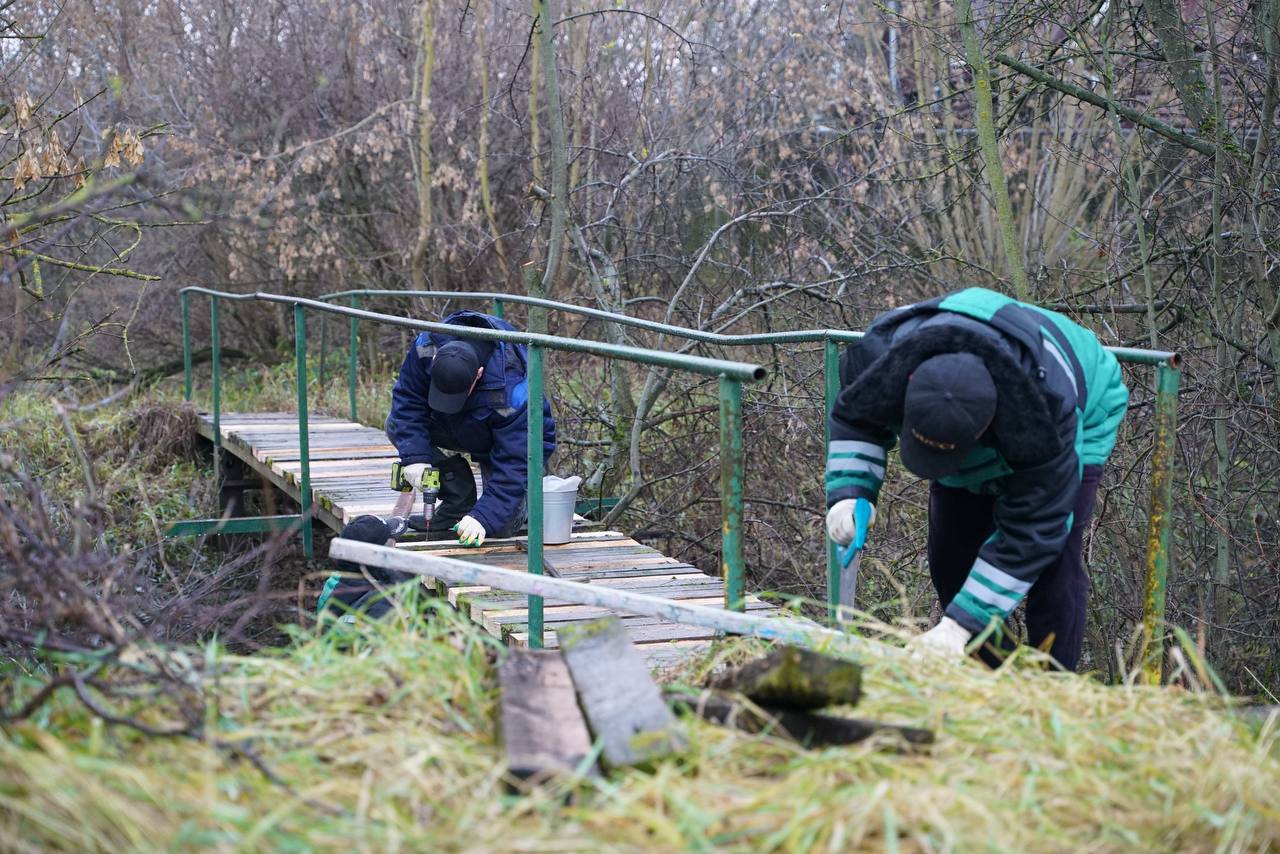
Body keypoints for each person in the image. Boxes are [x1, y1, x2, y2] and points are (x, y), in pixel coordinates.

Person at [825, 287, 1129, 671]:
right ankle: (989, 672)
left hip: (1085, 394)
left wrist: (961, 624)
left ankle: (1053, 683)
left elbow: (1035, 530)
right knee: (951, 558)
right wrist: (850, 492)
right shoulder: (882, 358)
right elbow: (857, 419)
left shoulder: (1045, 418)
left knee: (1054, 567)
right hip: (978, 387)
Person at [385, 309, 556, 546]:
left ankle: (529, 496)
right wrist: (416, 457)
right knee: (395, 425)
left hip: (508, 443)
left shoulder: (513, 391)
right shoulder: (426, 347)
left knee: (502, 526)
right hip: (459, 424)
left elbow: (517, 460)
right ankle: (458, 496)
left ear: (479, 374)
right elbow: (407, 402)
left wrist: (484, 517)